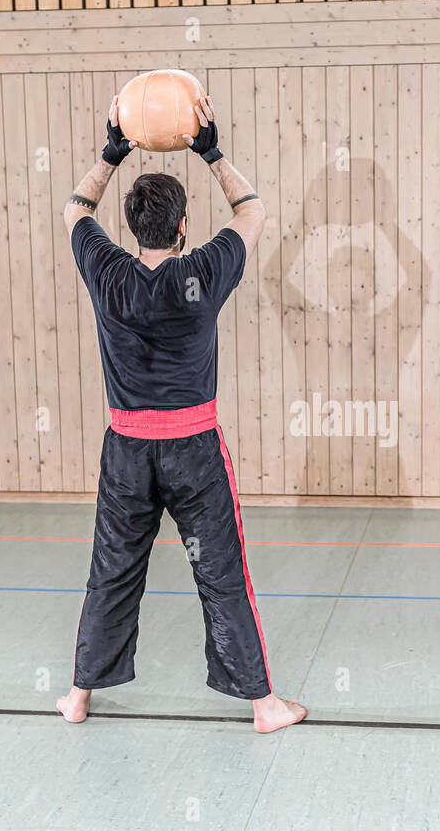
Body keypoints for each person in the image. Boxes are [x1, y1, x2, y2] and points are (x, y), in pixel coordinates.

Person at [56, 93, 307, 733]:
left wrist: (112, 151)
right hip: (194, 450)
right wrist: (209, 148)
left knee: (110, 573)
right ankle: (263, 706)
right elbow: (251, 211)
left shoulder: (106, 270)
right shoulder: (202, 272)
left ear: (134, 226)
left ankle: (79, 697)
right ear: (182, 225)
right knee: (223, 571)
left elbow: (75, 209)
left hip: (125, 454)